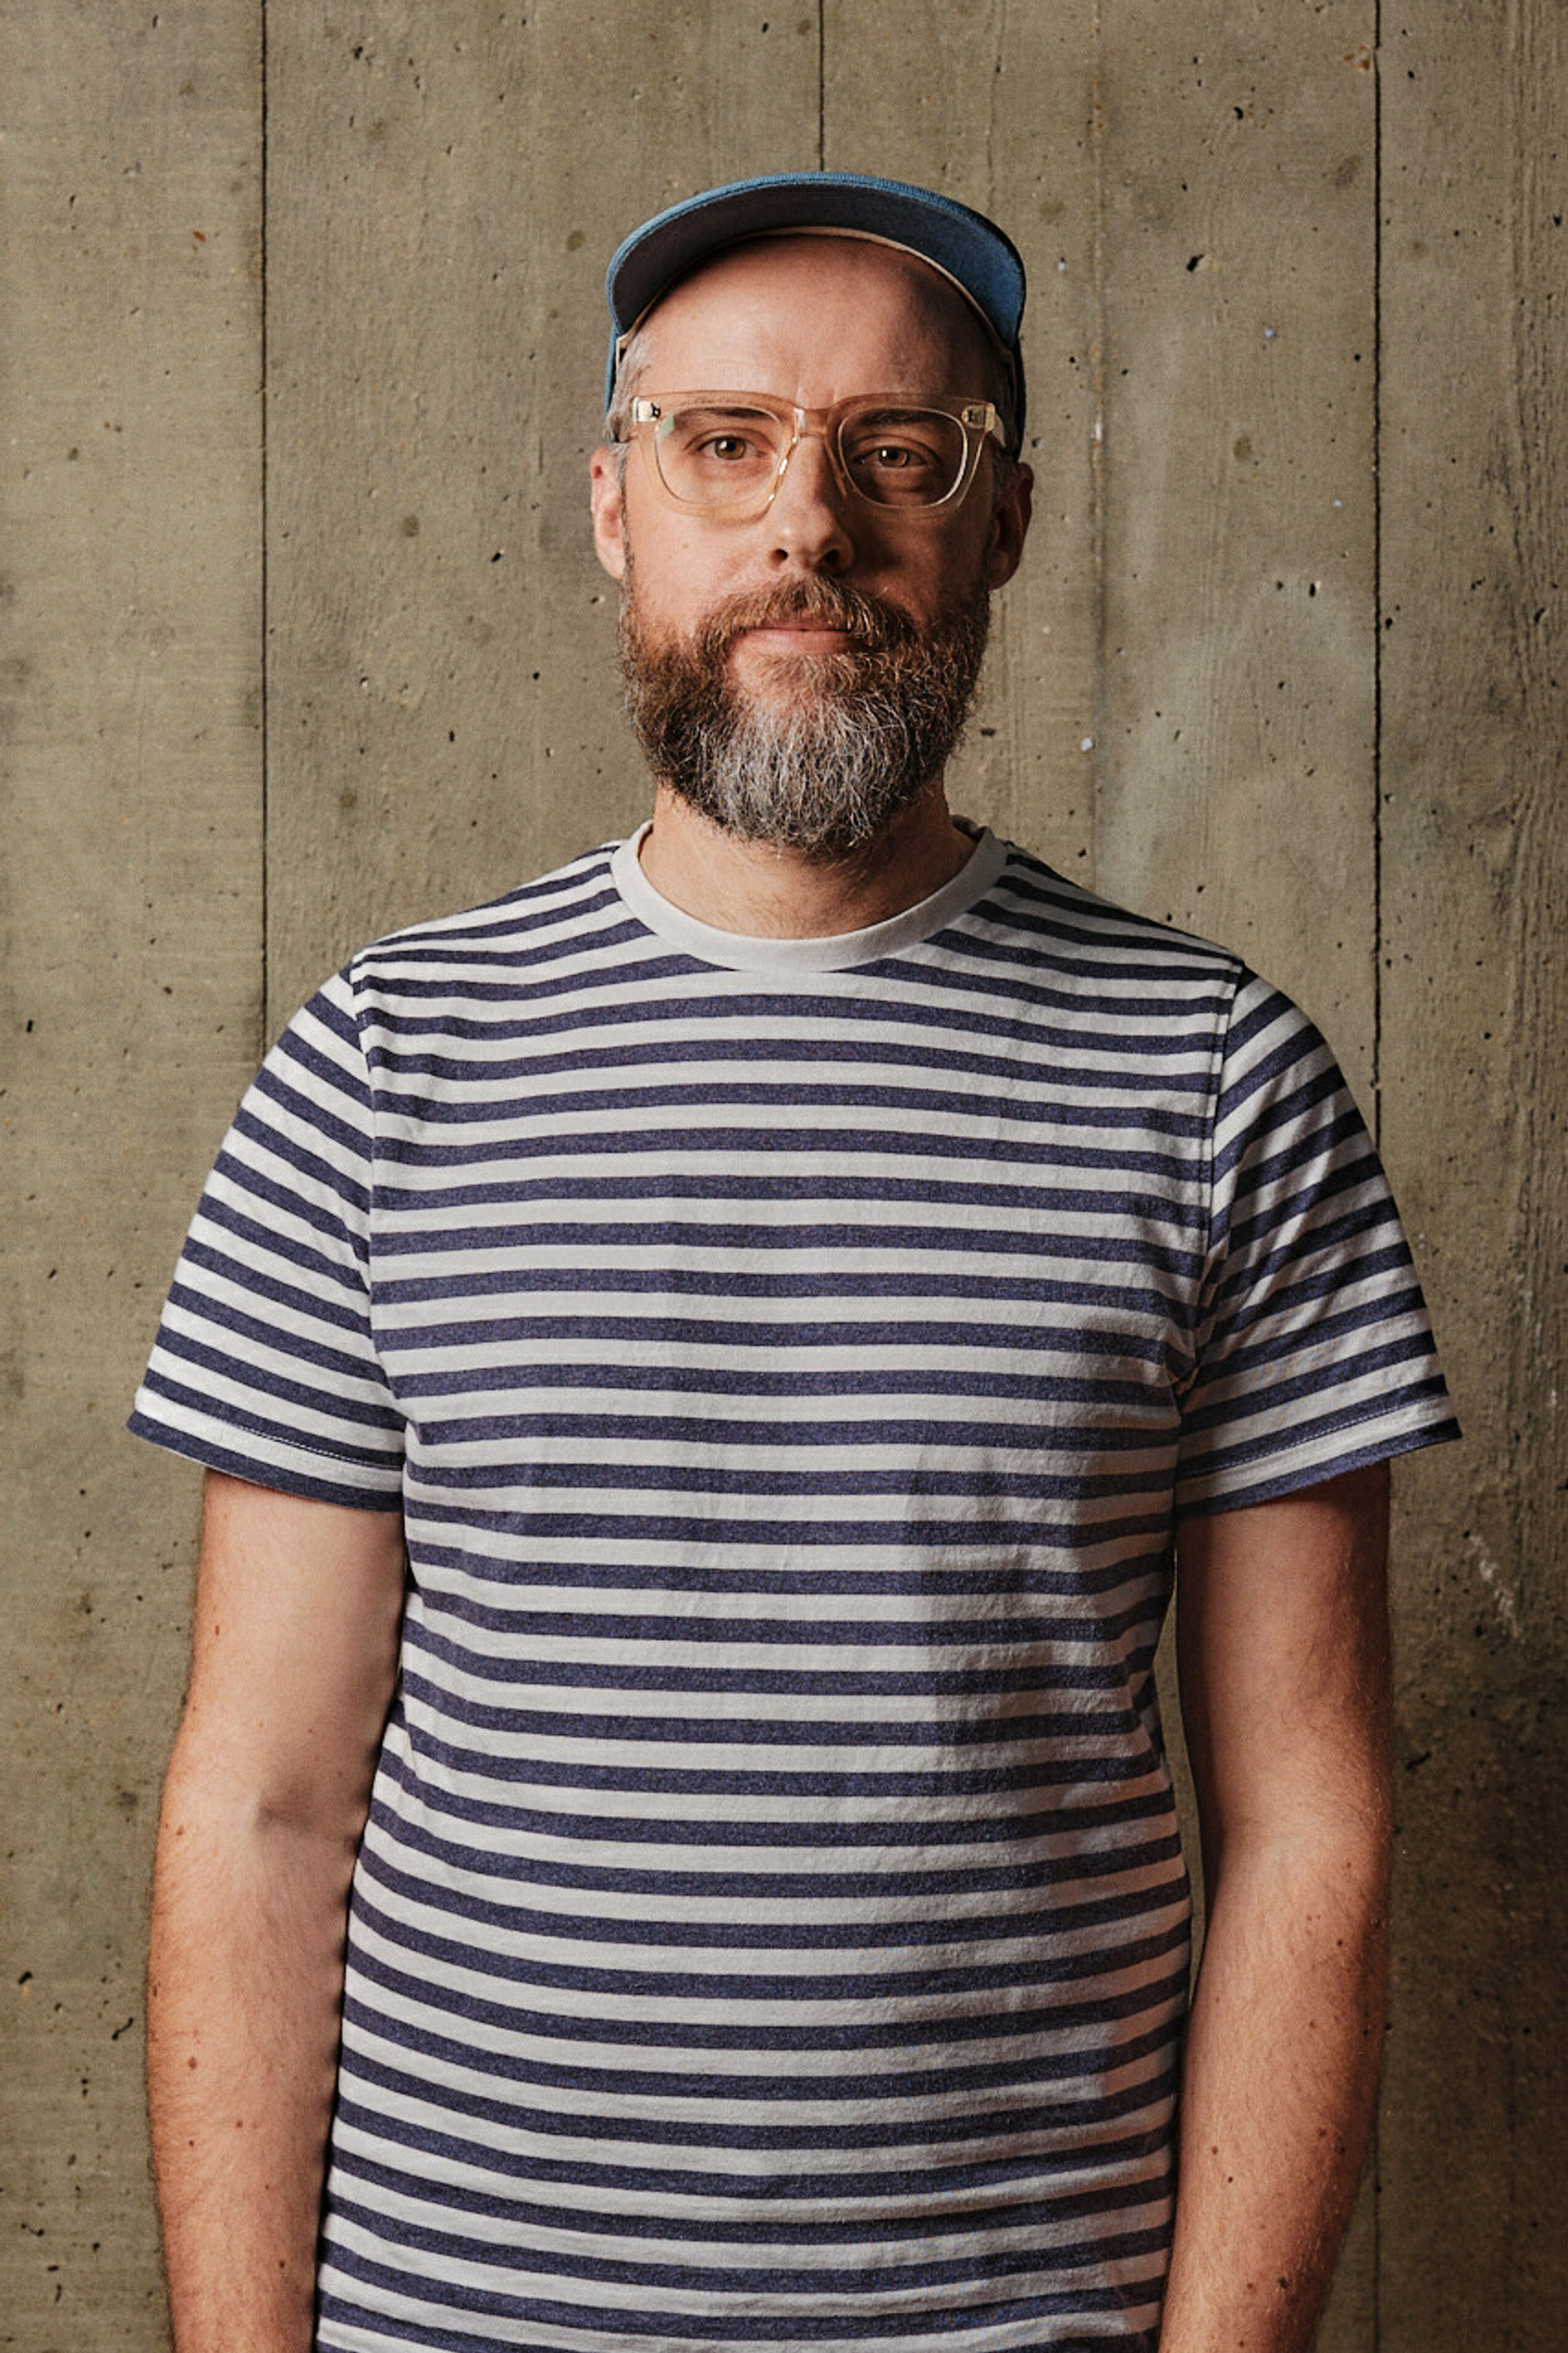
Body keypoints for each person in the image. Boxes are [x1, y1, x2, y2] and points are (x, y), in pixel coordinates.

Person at [133, 172, 1459, 2353]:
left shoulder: (1213, 1078)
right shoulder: (384, 1063)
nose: (806, 529)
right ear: (609, 508)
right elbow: (263, 1803)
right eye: (721, 442)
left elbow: (1310, 1822)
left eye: (896, 455)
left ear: (1001, 526)